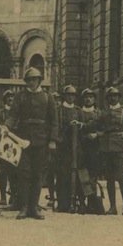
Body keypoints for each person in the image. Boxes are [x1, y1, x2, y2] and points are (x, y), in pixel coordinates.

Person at [2, 67, 57, 220]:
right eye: (29, 80)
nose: (32, 82)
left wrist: (52, 140)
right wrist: (7, 126)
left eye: (34, 79)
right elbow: (13, 115)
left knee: (38, 174)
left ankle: (34, 207)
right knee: (24, 173)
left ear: (39, 80)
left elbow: (54, 121)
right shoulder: (20, 97)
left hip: (41, 140)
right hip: (22, 139)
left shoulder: (48, 97)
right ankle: (24, 207)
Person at [84, 86, 123, 216]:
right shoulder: (104, 113)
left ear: (119, 97)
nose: (112, 98)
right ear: (107, 99)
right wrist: (81, 125)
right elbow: (94, 124)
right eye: (110, 96)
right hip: (106, 148)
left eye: (115, 96)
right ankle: (112, 207)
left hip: (121, 149)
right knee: (110, 178)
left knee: (121, 178)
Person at [55, 84, 82, 213]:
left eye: (73, 95)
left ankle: (74, 201)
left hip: (75, 147)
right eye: (69, 95)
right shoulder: (58, 110)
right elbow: (55, 126)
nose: (71, 97)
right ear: (64, 96)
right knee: (62, 174)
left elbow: (83, 127)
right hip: (62, 147)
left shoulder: (78, 111)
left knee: (75, 173)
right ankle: (62, 203)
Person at [0, 89, 17, 208]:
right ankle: (3, 196)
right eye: (8, 98)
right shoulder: (0, 113)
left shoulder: (16, 113)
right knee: (3, 172)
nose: (10, 100)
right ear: (5, 100)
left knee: (14, 172)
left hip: (14, 145)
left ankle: (13, 196)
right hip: (3, 144)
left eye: (12, 98)